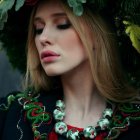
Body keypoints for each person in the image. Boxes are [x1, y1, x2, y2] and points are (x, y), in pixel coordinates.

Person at [0, 0, 140, 140]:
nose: (43, 38)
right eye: (38, 29)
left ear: (98, 33)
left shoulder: (135, 123)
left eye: (62, 25)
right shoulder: (12, 115)